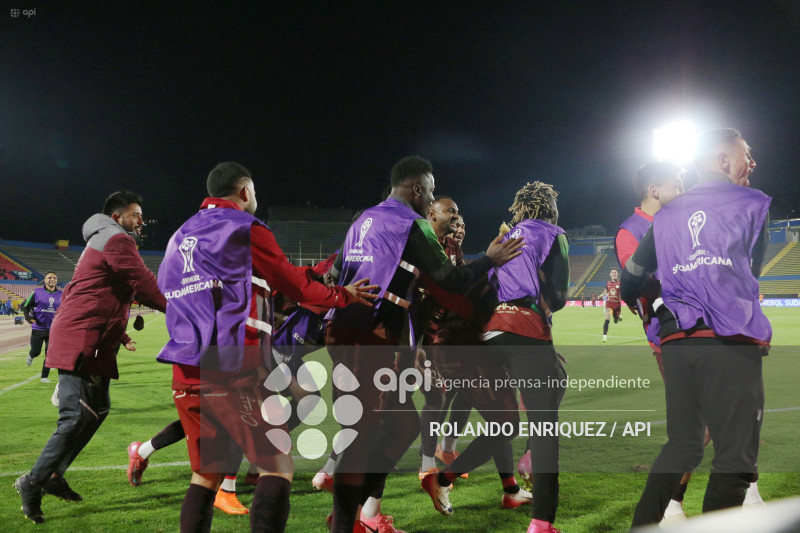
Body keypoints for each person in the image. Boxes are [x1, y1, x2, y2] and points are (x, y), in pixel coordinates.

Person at [155, 162, 377, 533]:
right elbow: (295, 285)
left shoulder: (178, 236)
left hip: (185, 367)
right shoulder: (244, 226)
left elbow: (169, 287)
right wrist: (343, 294)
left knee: (205, 476)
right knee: (278, 466)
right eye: (253, 192)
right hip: (231, 365)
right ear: (244, 191)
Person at [325, 156, 523, 533]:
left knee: (401, 425)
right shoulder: (410, 224)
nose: (430, 199)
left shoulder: (363, 218)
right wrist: (491, 259)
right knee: (366, 434)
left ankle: (354, 512)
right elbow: (450, 278)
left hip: (356, 332)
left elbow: (336, 274)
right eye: (430, 191)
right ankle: (347, 520)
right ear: (417, 188)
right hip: (369, 335)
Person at [623, 128, 771, 526]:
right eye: (747, 154)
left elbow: (630, 280)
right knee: (735, 457)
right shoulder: (753, 203)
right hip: (728, 340)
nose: (752, 163)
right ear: (724, 161)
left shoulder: (666, 213)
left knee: (682, 446)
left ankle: (641, 526)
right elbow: (748, 273)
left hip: (677, 342)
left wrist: (657, 311)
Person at [421, 181, 568, 533]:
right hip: (525, 330)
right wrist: (546, 300)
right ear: (548, 206)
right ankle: (542, 521)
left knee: (505, 421)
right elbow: (560, 296)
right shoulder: (553, 232)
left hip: (488, 334)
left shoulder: (503, 239)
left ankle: (450, 479)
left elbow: (484, 282)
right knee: (545, 424)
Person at [14, 191, 167, 525]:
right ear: (117, 217)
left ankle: (54, 475)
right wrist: (185, 309)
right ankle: (32, 482)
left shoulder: (108, 240)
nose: (141, 221)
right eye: (135, 214)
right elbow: (143, 283)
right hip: (82, 339)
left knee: (97, 409)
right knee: (74, 415)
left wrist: (122, 333)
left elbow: (96, 292)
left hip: (93, 338)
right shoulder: (116, 240)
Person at [416, 202, 530, 508]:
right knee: (502, 421)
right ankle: (437, 474)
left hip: (467, 344)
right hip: (459, 345)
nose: (457, 222)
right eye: (451, 213)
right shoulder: (430, 252)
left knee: (500, 419)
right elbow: (455, 292)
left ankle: (510, 489)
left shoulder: (457, 254)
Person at [22, 271, 62, 383]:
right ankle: (31, 355)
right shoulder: (36, 292)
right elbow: (25, 307)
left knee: (50, 353)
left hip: (53, 330)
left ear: (56, 280)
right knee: (36, 351)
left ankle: (44, 377)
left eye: (54, 278)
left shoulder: (62, 295)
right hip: (38, 328)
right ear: (45, 280)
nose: (52, 279)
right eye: (49, 278)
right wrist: (28, 319)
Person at [599, 268, 621, 342]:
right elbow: (605, 292)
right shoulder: (608, 283)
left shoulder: (621, 283)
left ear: (617, 274)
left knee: (615, 321)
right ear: (610, 274)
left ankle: (618, 317)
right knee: (607, 318)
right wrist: (600, 296)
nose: (614, 273)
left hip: (617, 304)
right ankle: (604, 337)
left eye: (615, 272)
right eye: (612, 272)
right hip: (609, 304)